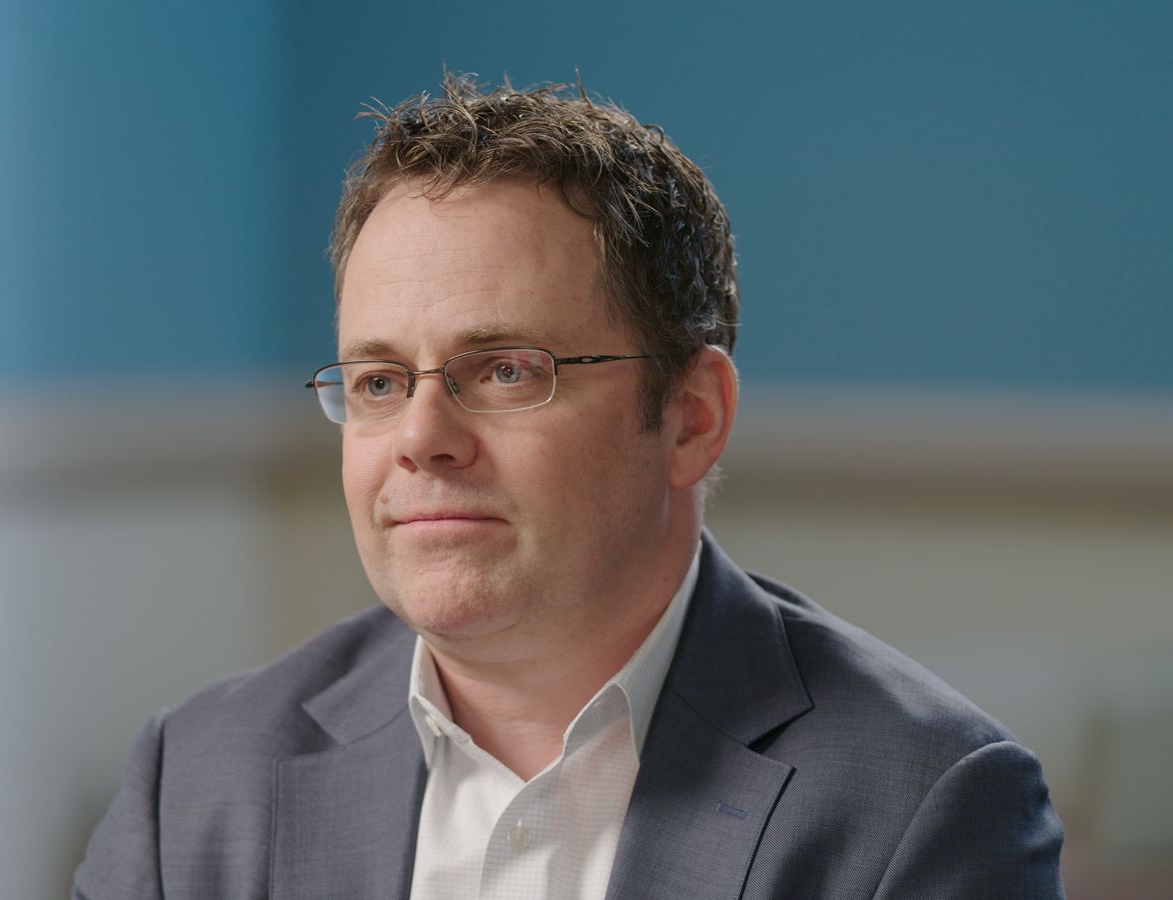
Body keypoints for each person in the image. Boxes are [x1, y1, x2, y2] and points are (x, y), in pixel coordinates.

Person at [74, 73, 1064, 899]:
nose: (421, 439)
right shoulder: (197, 781)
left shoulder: (922, 807)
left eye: (506, 370)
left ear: (691, 418)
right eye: (378, 382)